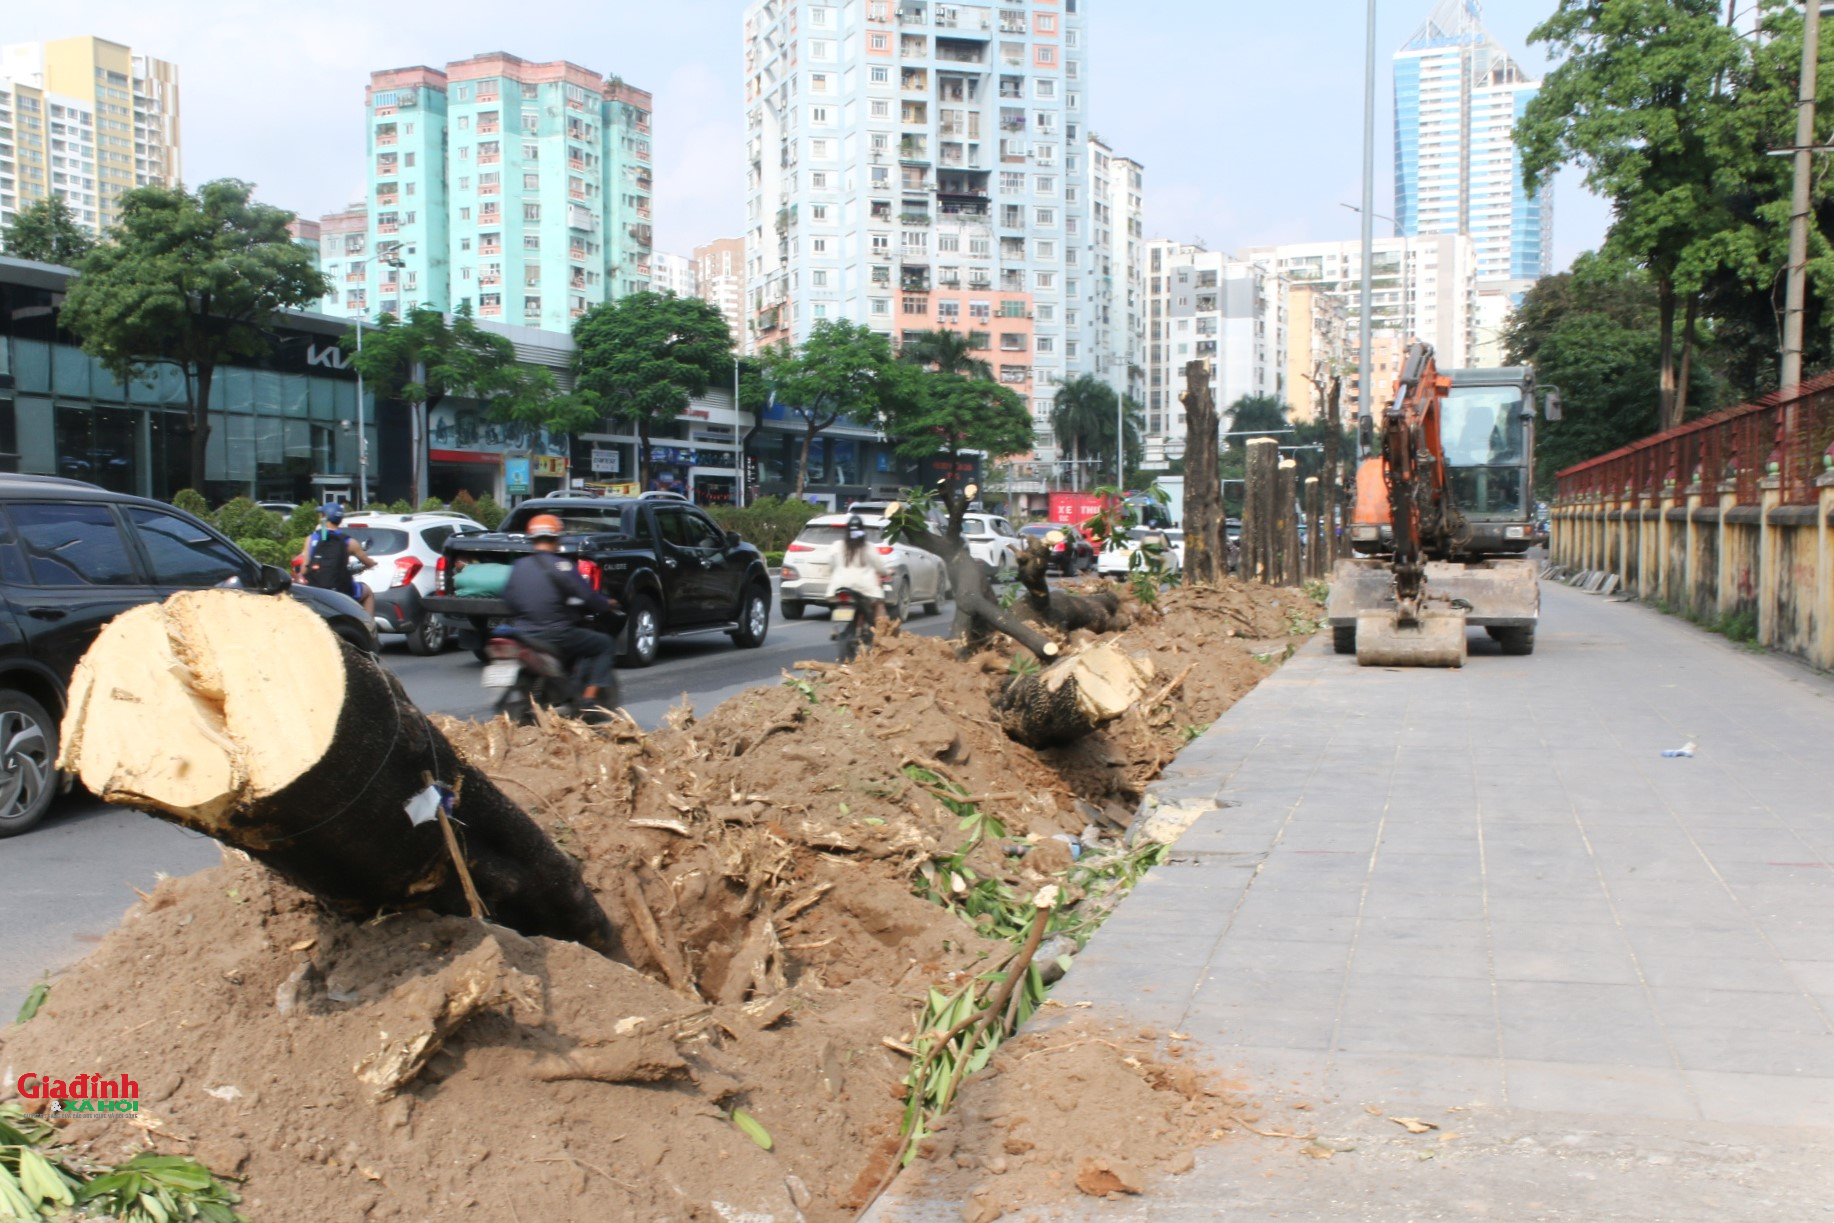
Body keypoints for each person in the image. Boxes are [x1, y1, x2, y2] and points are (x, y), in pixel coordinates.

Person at [503, 513, 620, 712]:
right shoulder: (562, 565)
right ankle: (589, 700)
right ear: (556, 538)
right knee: (604, 644)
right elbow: (589, 597)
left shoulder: (519, 565)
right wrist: (607, 604)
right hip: (555, 633)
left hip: (523, 634)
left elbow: (509, 599)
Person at [303, 503, 377, 615]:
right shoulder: (349, 542)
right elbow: (367, 562)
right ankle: (368, 628)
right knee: (368, 592)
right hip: (341, 590)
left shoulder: (311, 539)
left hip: (315, 590)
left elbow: (304, 570)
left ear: (324, 517)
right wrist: (371, 563)